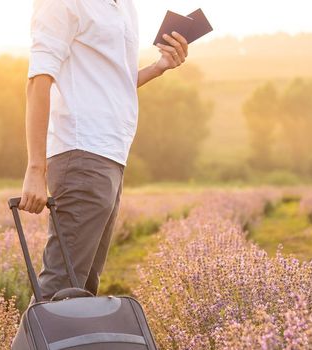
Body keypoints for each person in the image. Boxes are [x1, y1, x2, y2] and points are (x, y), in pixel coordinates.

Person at [18, 0, 189, 303]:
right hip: (81, 153)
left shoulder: (124, 5)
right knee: (60, 286)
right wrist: (35, 170)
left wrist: (158, 67)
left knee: (82, 289)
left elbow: (112, 83)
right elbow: (38, 82)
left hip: (112, 155)